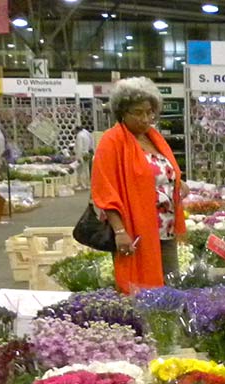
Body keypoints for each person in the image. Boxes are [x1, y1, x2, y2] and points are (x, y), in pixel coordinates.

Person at [91, 77, 186, 294]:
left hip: (165, 228)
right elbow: (105, 190)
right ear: (122, 112)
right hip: (136, 231)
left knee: (171, 286)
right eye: (138, 112)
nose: (146, 119)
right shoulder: (111, 141)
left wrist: (178, 183)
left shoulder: (154, 138)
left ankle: (170, 326)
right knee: (142, 289)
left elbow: (161, 172)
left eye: (150, 112)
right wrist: (120, 231)